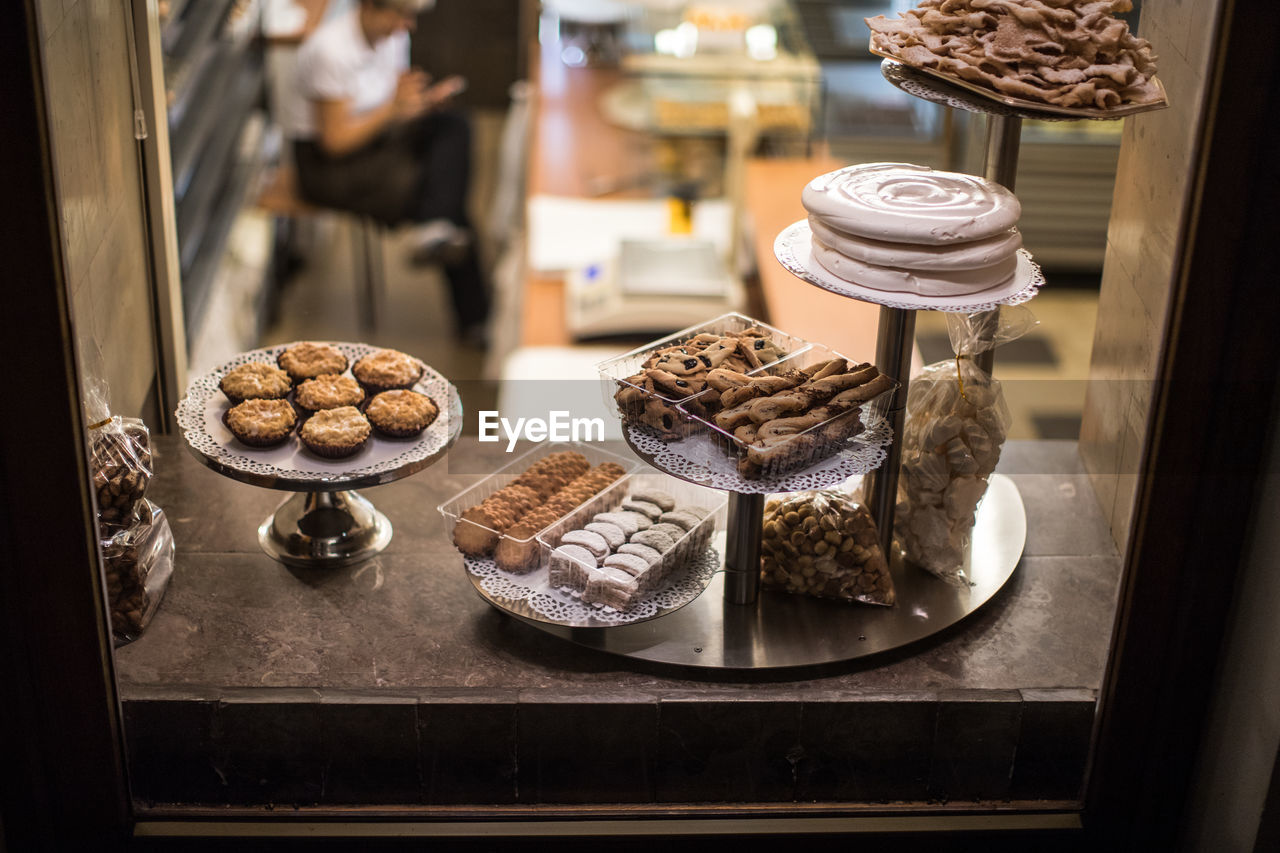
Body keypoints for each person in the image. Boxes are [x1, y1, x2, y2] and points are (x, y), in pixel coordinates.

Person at [284, 0, 489, 342]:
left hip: (374, 140)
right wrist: (392, 109)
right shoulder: (329, 50)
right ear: (368, 7)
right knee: (450, 205)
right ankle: (475, 319)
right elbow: (334, 141)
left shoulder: (392, 36)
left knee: (455, 126)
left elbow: (390, 101)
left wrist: (419, 104)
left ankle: (435, 227)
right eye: (399, 15)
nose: (407, 25)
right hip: (327, 168)